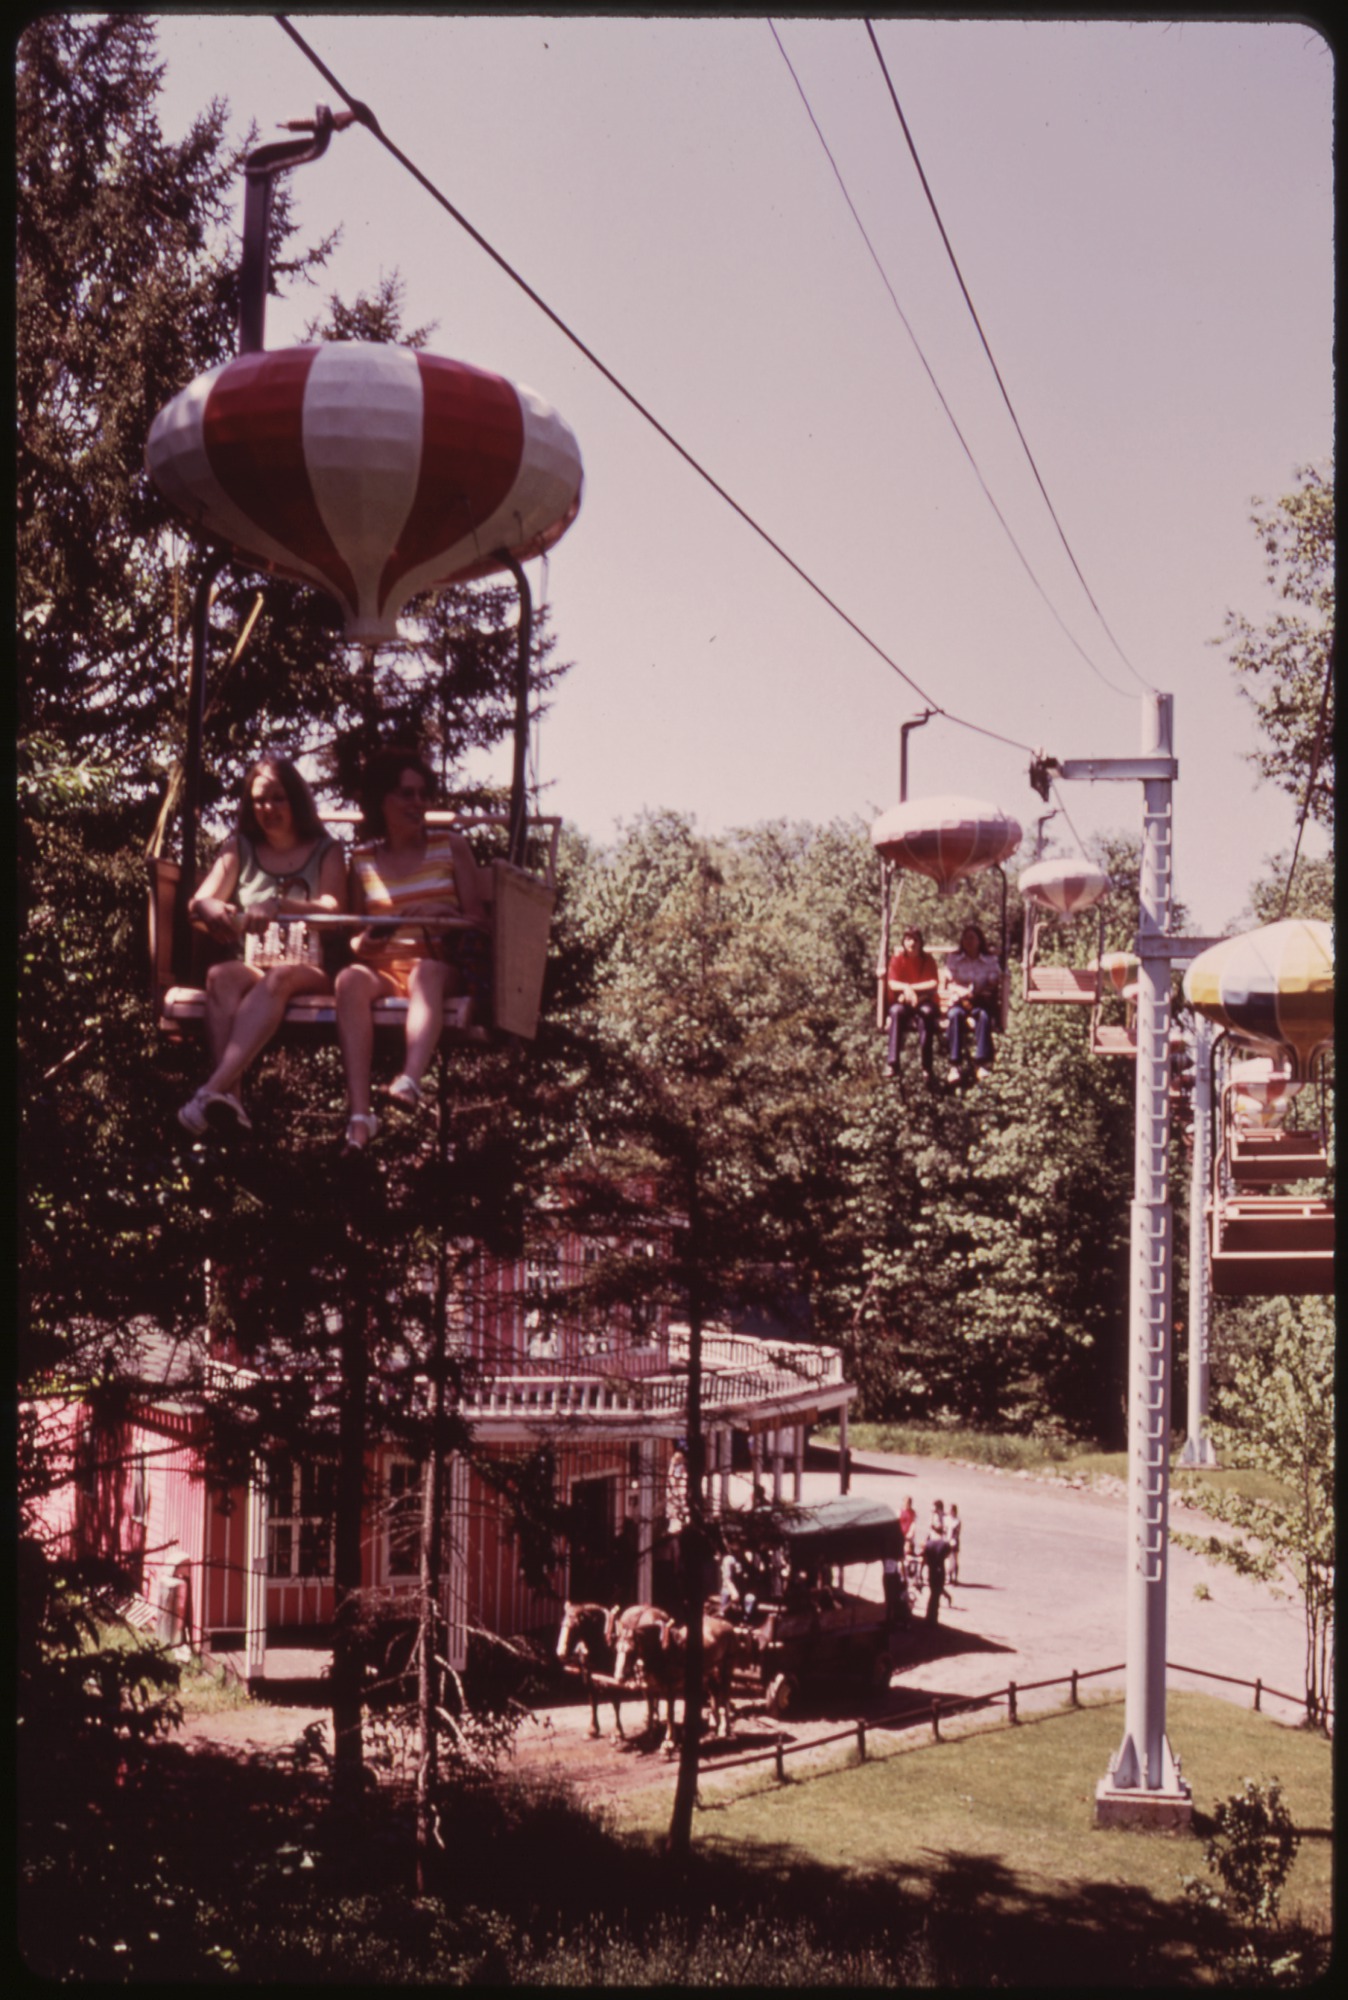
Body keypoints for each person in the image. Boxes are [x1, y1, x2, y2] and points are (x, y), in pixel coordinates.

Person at [177, 757, 345, 1136]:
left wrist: (281, 905)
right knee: (220, 976)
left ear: (296, 801)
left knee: (279, 978)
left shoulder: (326, 850)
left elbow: (333, 909)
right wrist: (211, 907)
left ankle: (210, 1089)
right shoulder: (239, 848)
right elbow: (197, 904)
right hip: (255, 960)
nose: (269, 809)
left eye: (278, 798)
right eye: (259, 801)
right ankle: (228, 1099)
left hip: (307, 966)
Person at [334, 749, 491, 1151]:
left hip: (439, 967)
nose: (417, 803)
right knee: (350, 979)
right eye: (406, 794)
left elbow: (478, 919)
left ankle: (410, 1079)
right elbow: (355, 936)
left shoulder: (450, 847)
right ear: (382, 801)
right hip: (385, 968)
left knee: (424, 973)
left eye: (423, 794)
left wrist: (441, 911)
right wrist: (367, 941)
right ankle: (359, 1115)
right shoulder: (364, 859)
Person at [944, 923, 1002, 1084]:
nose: (968, 941)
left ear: (979, 941)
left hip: (979, 999)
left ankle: (981, 1062)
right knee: (954, 1015)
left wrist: (988, 983)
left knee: (983, 1016)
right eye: (965, 938)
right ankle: (954, 1064)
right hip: (959, 1000)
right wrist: (961, 991)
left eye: (972, 938)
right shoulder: (954, 959)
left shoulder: (989, 960)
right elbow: (948, 980)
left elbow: (994, 978)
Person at [885, 926, 941, 1078]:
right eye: (908, 939)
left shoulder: (927, 960)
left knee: (927, 1014)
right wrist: (906, 989)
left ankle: (926, 1066)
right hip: (905, 1002)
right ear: (903, 942)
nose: (912, 943)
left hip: (924, 1000)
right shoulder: (898, 959)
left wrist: (911, 989)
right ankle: (892, 1063)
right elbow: (892, 983)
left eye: (915, 940)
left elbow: (932, 983)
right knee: (895, 1012)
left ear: (921, 942)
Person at [921, 1525, 949, 1624]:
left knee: (933, 1593)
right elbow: (947, 1555)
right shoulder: (945, 1544)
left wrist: (921, 1572)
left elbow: (924, 1559)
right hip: (940, 1570)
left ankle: (929, 1615)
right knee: (936, 1595)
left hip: (931, 1570)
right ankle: (933, 1617)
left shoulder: (928, 1544)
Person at [948, 1502, 962, 1585]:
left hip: (954, 1542)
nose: (949, 1512)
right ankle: (949, 1577)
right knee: (949, 1560)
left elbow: (957, 1532)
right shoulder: (947, 1519)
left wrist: (953, 1541)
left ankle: (955, 1578)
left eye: (951, 1510)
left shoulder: (957, 1520)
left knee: (955, 1560)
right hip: (947, 1541)